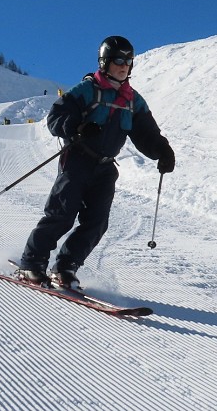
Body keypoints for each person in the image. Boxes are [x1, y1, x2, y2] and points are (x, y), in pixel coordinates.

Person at [17, 35, 175, 290]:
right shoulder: (87, 90)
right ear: (105, 62)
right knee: (61, 215)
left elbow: (147, 133)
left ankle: (65, 267)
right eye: (118, 60)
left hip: (105, 167)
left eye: (128, 61)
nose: (123, 66)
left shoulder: (133, 100)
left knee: (97, 222)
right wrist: (77, 127)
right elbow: (56, 117)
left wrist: (163, 152)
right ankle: (31, 264)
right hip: (77, 160)